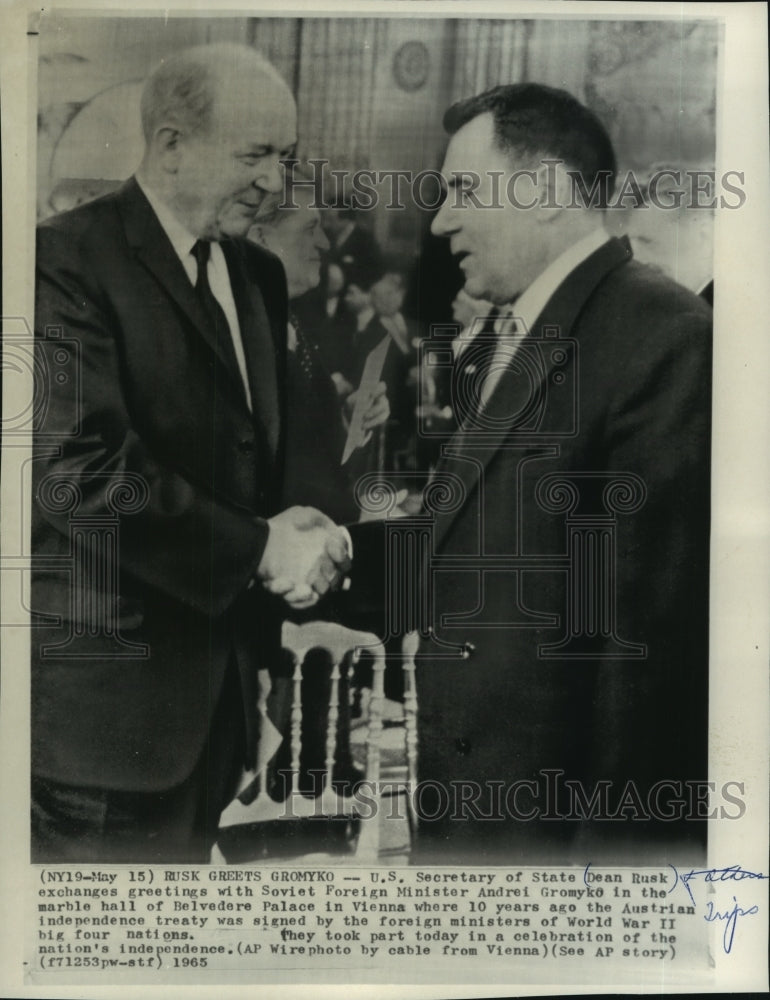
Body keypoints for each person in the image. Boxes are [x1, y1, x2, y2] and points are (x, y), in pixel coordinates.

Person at [336, 83, 712, 864]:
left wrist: (602, 903)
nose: (440, 223)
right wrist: (329, 550)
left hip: (550, 857)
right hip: (479, 832)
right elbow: (465, 546)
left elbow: (646, 669)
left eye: (465, 191)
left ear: (545, 193)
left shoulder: (663, 341)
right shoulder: (538, 328)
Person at [30, 43, 349, 864]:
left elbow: (259, 452)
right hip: (107, 730)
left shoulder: (255, 273)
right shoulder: (60, 263)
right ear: (170, 144)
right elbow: (80, 474)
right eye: (254, 156)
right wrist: (260, 548)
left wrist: (313, 533)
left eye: (285, 158)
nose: (275, 184)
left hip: (223, 717)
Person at [248, 171, 389, 523]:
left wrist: (345, 419)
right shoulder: (243, 334)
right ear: (260, 237)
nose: (326, 244)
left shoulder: (292, 321)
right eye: (311, 229)